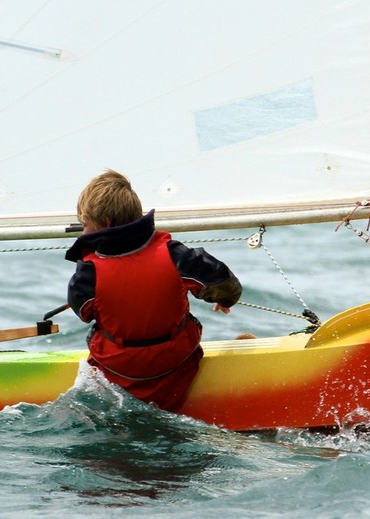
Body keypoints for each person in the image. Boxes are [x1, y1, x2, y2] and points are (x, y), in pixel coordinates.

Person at [65, 170, 242, 412]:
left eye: (86, 225)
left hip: (119, 368)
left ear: (104, 223)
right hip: (175, 362)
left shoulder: (89, 271)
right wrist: (225, 299)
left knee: (98, 337)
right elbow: (222, 280)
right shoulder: (174, 254)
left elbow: (83, 311)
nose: (83, 232)